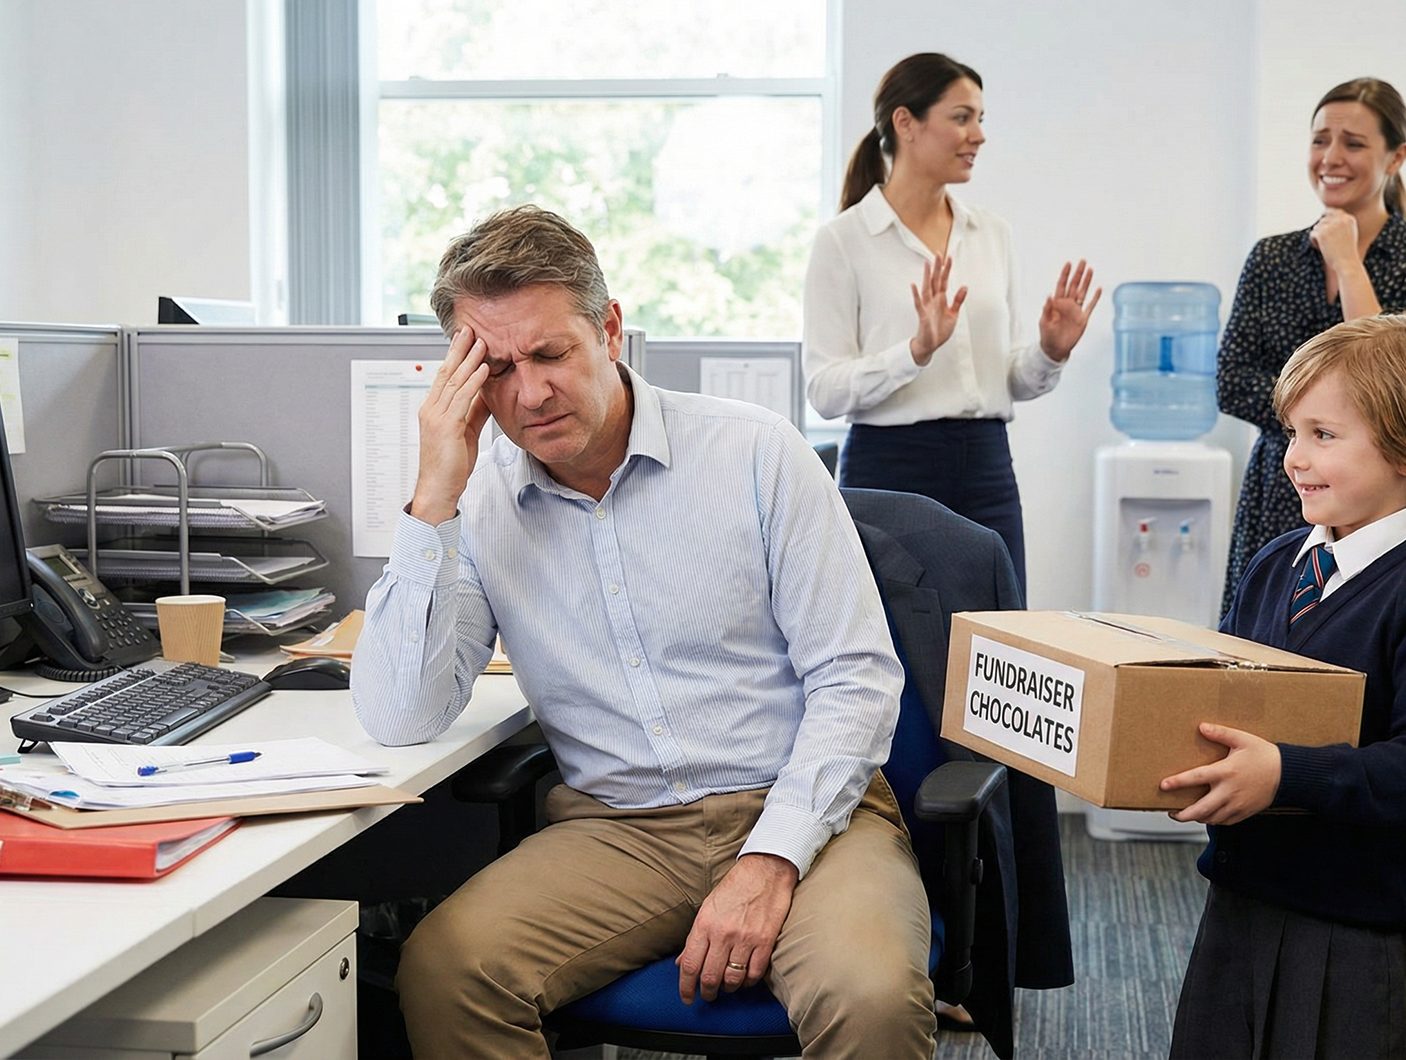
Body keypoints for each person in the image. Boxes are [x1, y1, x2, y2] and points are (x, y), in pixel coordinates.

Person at [351, 205, 934, 1059]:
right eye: (497, 369)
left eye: (551, 354)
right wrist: (434, 493)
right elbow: (400, 716)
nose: (529, 393)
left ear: (610, 329)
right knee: (447, 968)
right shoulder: (477, 501)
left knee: (869, 996)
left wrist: (771, 859)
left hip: (806, 811)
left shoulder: (755, 454)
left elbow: (856, 676)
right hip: (618, 830)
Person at [1163, 314, 1406, 1058]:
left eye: (1323, 435)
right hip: (1242, 901)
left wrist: (1287, 774)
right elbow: (1223, 692)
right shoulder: (1278, 562)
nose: (1294, 457)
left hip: (1351, 932)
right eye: (1293, 433)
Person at [802, 51, 1100, 603]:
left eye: (980, 119)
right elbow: (824, 392)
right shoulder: (843, 241)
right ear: (906, 123)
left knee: (1001, 638)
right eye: (962, 118)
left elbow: (1009, 379)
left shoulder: (992, 234)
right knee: (893, 640)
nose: (978, 135)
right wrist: (915, 351)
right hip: (889, 470)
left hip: (987, 467)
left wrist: (1050, 351)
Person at [1218, 77, 1406, 619]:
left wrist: (1348, 262)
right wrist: (1318, 428)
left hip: (1381, 495)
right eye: (1320, 140)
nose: (1331, 157)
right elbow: (1232, 380)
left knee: (1360, 633)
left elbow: (1403, 384)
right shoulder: (1272, 257)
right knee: (1257, 637)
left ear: (1396, 156)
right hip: (1282, 486)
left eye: (1352, 143)